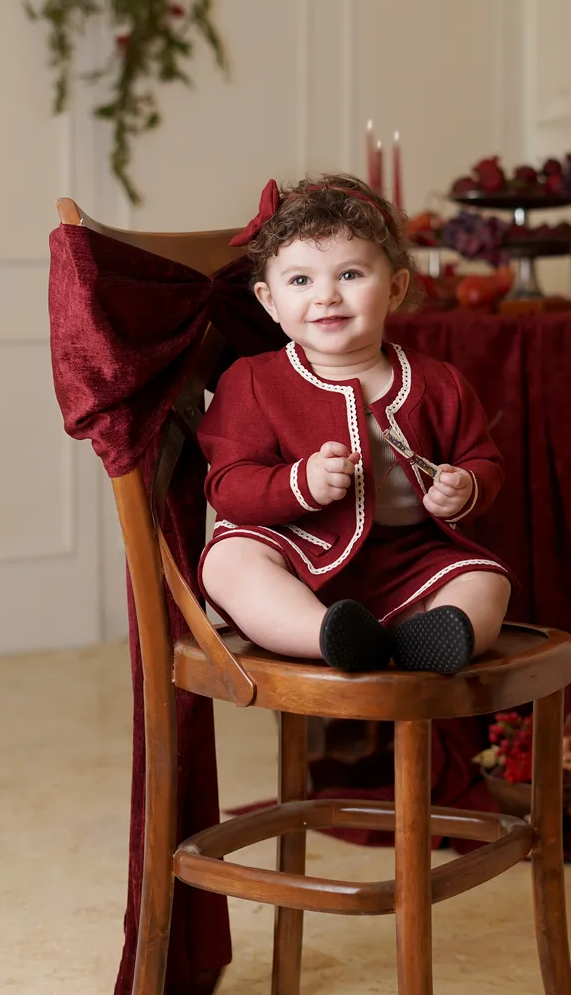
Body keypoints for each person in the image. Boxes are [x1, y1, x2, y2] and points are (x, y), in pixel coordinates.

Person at [197, 174, 512, 674]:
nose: (326, 296)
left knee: (487, 582)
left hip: (411, 558)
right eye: (300, 281)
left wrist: (466, 485)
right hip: (297, 549)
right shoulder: (254, 381)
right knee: (228, 560)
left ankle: (427, 636)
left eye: (349, 275)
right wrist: (300, 482)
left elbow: (482, 458)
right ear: (269, 301)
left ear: (395, 289)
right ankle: (325, 635)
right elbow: (229, 485)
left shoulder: (439, 382)